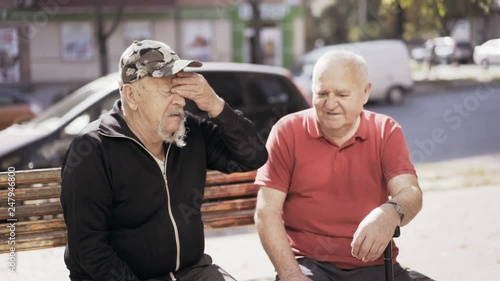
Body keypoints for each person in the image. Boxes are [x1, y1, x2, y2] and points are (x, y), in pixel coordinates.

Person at [60, 39, 268, 281]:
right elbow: (88, 247)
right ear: (132, 95)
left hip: (192, 272)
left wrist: (215, 104)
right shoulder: (94, 148)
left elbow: (253, 157)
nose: (180, 100)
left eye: (180, 88)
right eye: (168, 89)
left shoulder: (189, 131)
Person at [254, 50, 432, 281]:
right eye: (322, 93)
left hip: (375, 264)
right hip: (310, 265)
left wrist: (388, 213)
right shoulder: (287, 131)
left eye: (341, 94)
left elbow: (410, 192)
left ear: (365, 92)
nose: (330, 104)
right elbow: (266, 211)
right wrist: (291, 275)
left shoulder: (385, 130)